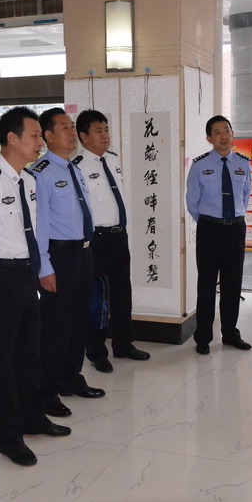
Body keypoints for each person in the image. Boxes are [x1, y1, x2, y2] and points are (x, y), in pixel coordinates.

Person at [0, 106, 70, 467]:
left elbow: (33, 232)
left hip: (23, 275)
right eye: (35, 136)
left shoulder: (29, 180)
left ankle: (33, 419)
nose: (40, 142)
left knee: (27, 354)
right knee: (1, 362)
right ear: (12, 138)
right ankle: (9, 438)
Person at [32, 108, 106, 417]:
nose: (72, 132)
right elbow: (39, 225)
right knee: (56, 326)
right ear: (48, 136)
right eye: (65, 127)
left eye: (72, 126)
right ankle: (47, 391)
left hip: (83, 253)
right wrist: (44, 267)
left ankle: (71, 378)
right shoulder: (40, 173)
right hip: (58, 256)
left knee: (78, 321)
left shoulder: (73, 170)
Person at [75, 109, 150, 372]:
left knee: (121, 293)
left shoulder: (113, 160)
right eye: (99, 131)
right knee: (97, 298)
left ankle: (123, 344)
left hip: (119, 237)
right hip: (96, 240)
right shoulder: (77, 167)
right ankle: (96, 351)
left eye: (106, 129)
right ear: (84, 136)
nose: (105, 135)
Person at [185, 115, 252, 355]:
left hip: (236, 228)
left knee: (233, 283)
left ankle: (230, 333)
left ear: (232, 133)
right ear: (209, 138)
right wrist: (209, 221)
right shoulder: (199, 165)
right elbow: (192, 201)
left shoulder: (243, 163)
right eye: (217, 132)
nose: (223, 136)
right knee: (206, 284)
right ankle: (203, 336)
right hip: (210, 230)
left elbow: (245, 195)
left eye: (227, 130)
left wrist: (233, 218)